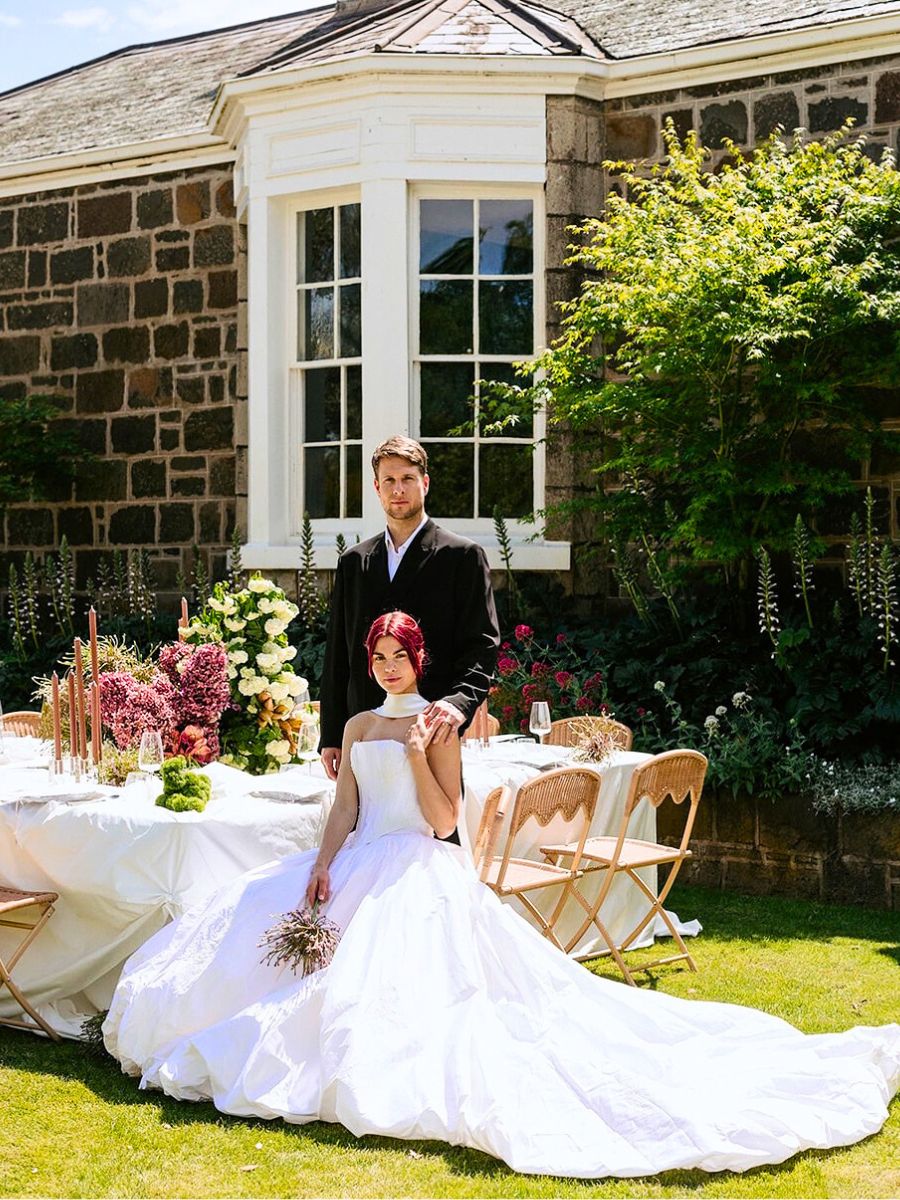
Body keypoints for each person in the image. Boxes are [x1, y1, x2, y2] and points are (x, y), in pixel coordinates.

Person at [104, 612, 900, 1181]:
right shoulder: (353, 725)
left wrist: (421, 752)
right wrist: (320, 862)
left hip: (417, 864)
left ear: (420, 661)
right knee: (263, 935)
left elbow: (447, 819)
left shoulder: (441, 728)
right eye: (378, 654)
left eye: (399, 655)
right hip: (355, 863)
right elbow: (344, 805)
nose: (387, 666)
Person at [318, 435, 499, 784]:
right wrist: (332, 735)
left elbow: (482, 646)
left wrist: (458, 704)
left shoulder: (461, 557)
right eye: (389, 481)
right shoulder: (353, 563)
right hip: (366, 735)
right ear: (377, 488)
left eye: (407, 479)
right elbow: (338, 655)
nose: (398, 489)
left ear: (425, 483)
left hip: (432, 734)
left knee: (434, 834)